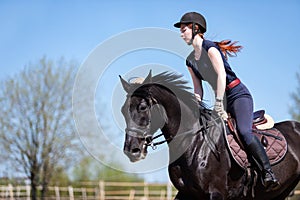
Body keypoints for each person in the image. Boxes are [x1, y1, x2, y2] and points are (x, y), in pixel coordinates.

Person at [174, 11, 279, 191]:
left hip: (237, 95)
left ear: (195, 28)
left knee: (244, 132)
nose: (181, 33)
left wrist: (217, 103)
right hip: (220, 99)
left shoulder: (211, 48)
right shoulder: (190, 61)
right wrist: (193, 105)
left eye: (184, 29)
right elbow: (198, 89)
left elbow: (221, 76)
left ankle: (268, 172)